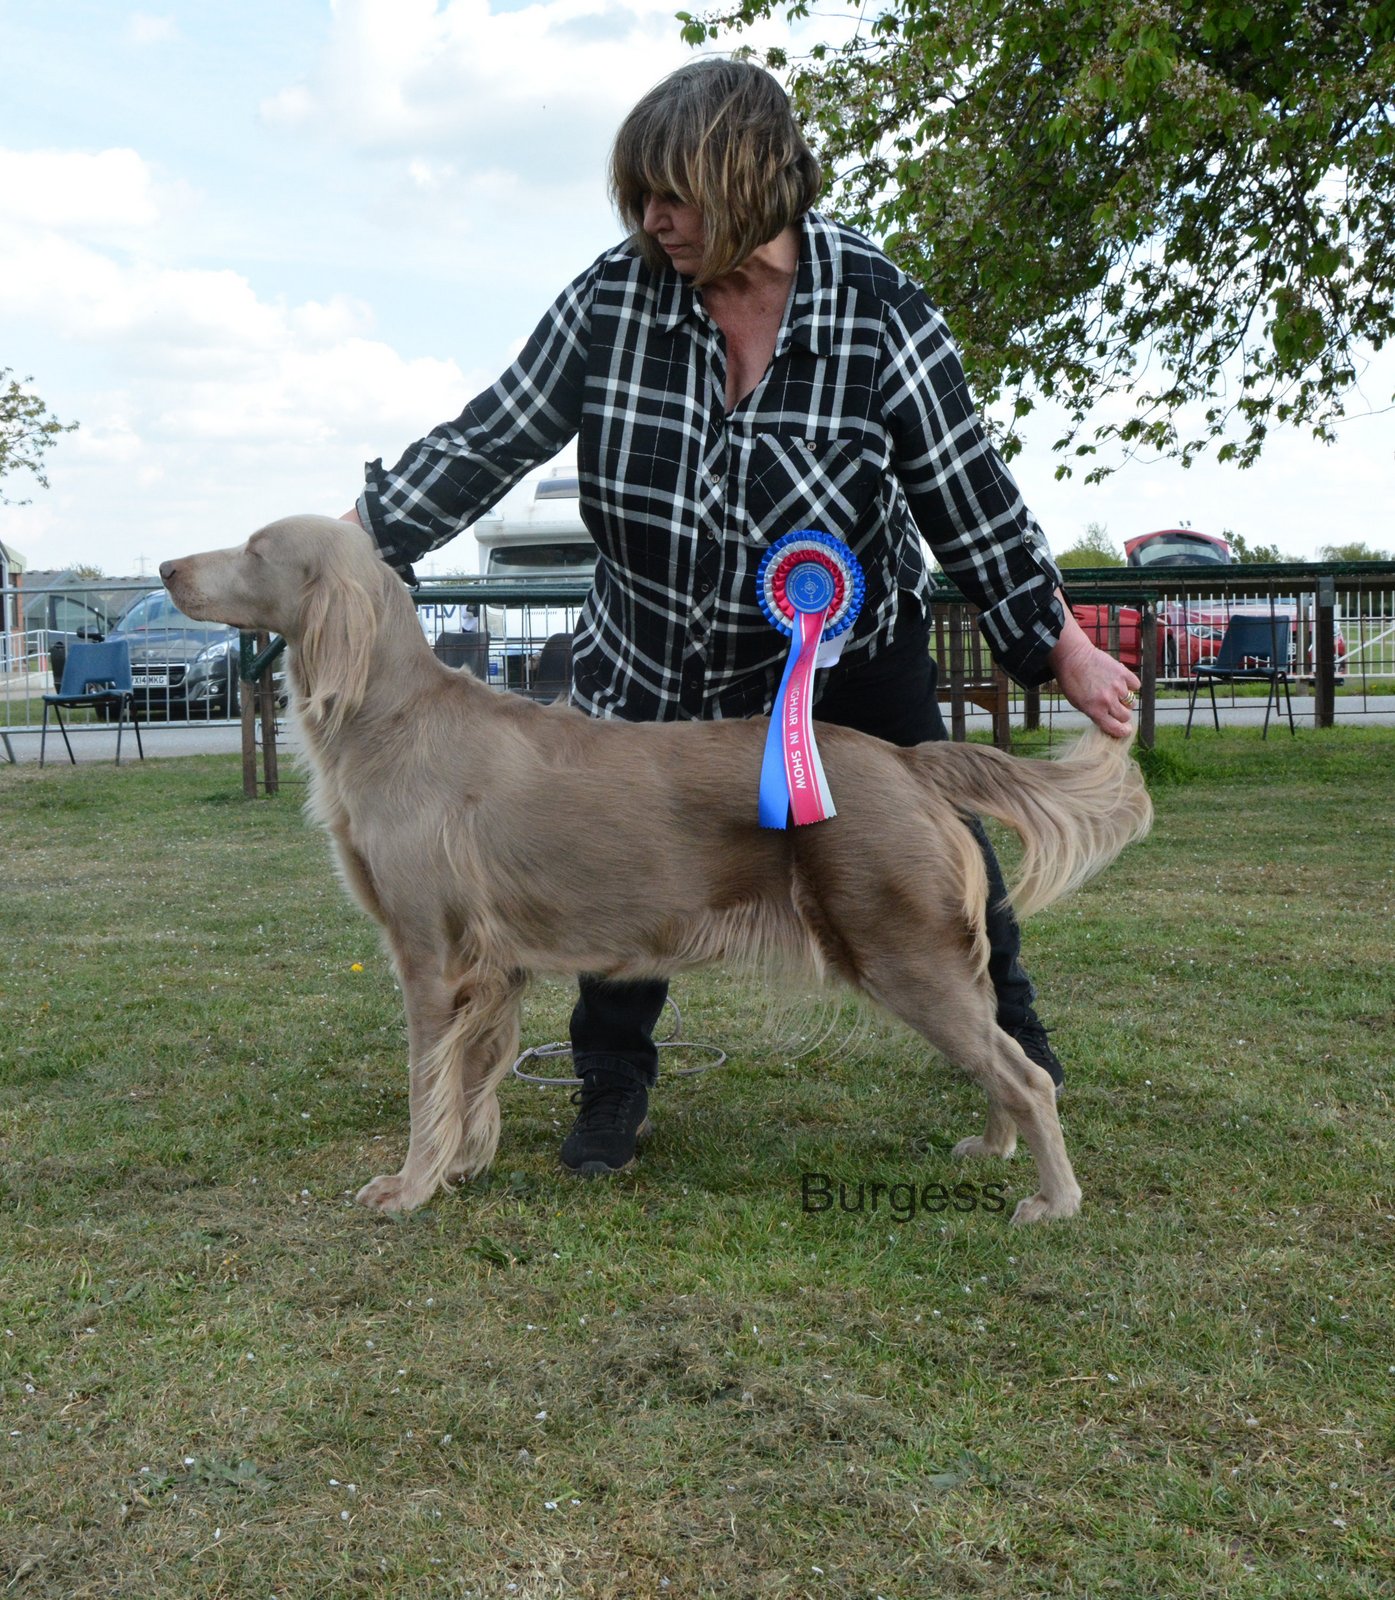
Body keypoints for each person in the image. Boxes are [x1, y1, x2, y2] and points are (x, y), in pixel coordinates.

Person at [342, 57, 1140, 1176]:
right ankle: (610, 1091)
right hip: (655, 647)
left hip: (843, 652)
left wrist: (1060, 642)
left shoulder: (872, 302)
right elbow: (492, 437)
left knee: (930, 847)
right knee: (613, 867)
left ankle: (1016, 1054)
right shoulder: (612, 296)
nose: (652, 221)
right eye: (639, 198)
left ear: (754, 180)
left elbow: (964, 485)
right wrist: (361, 535)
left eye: (675, 196)